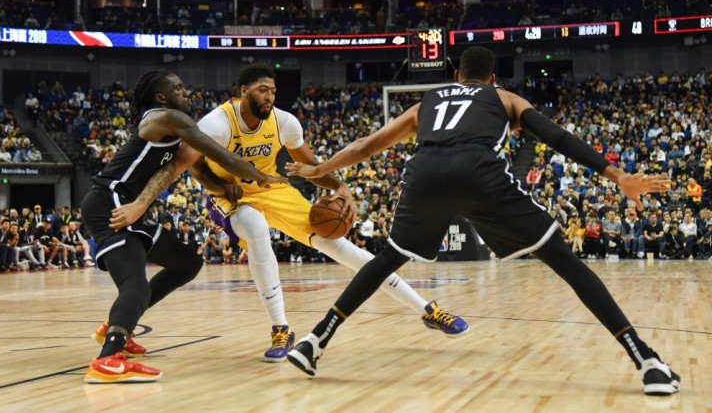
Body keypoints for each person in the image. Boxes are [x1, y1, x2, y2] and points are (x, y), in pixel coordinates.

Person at [284, 46, 679, 396]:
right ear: (492, 78)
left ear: (455, 76)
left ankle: (315, 340)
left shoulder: (428, 101)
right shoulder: (502, 96)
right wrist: (618, 176)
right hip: (480, 172)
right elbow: (556, 137)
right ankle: (646, 361)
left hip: (425, 173)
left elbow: (366, 145)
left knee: (387, 259)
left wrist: (322, 169)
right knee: (565, 261)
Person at [111, 63, 467, 364]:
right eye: (263, 90)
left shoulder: (285, 122)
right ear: (243, 91)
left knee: (341, 247)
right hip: (231, 197)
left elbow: (313, 165)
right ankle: (281, 328)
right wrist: (219, 188)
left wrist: (340, 187)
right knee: (255, 226)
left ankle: (428, 310)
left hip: (273, 188)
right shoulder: (217, 122)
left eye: (273, 91)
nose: (270, 96)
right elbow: (191, 167)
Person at [81, 70, 285, 384]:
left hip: (130, 205)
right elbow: (219, 152)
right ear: (161, 97)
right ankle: (108, 358)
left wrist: (218, 184)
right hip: (109, 202)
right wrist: (261, 176)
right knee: (134, 285)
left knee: (187, 263)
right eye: (177, 88)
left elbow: (189, 167)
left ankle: (118, 326)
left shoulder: (171, 124)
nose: (186, 91)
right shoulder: (167, 118)